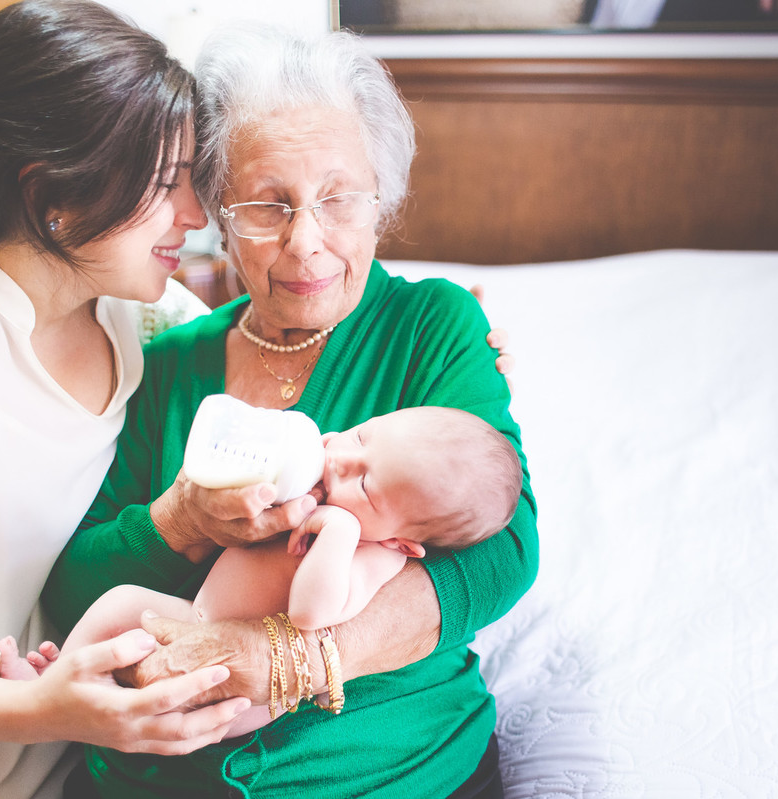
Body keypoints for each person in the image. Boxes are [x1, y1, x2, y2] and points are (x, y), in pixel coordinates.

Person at [41, 22, 539, 799]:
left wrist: (288, 658)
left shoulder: (433, 324)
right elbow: (69, 588)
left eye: (339, 199)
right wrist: (181, 519)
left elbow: (505, 548)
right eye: (267, 206)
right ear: (217, 211)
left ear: (383, 200)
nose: (307, 242)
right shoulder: (167, 361)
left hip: (390, 766)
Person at [0, 2, 272, 797]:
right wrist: (34, 707)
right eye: (165, 184)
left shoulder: (145, 316)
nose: (195, 215)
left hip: (98, 767)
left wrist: (440, 358)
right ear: (54, 196)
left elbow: (272, 359)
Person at [2, 404, 521, 740]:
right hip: (192, 614)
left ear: (402, 539)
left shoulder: (376, 555)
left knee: (174, 714)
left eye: (365, 485)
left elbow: (311, 613)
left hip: (247, 691)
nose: (339, 459)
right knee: (119, 604)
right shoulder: (319, 486)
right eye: (360, 439)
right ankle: (58, 683)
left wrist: (337, 532)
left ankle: (68, 709)